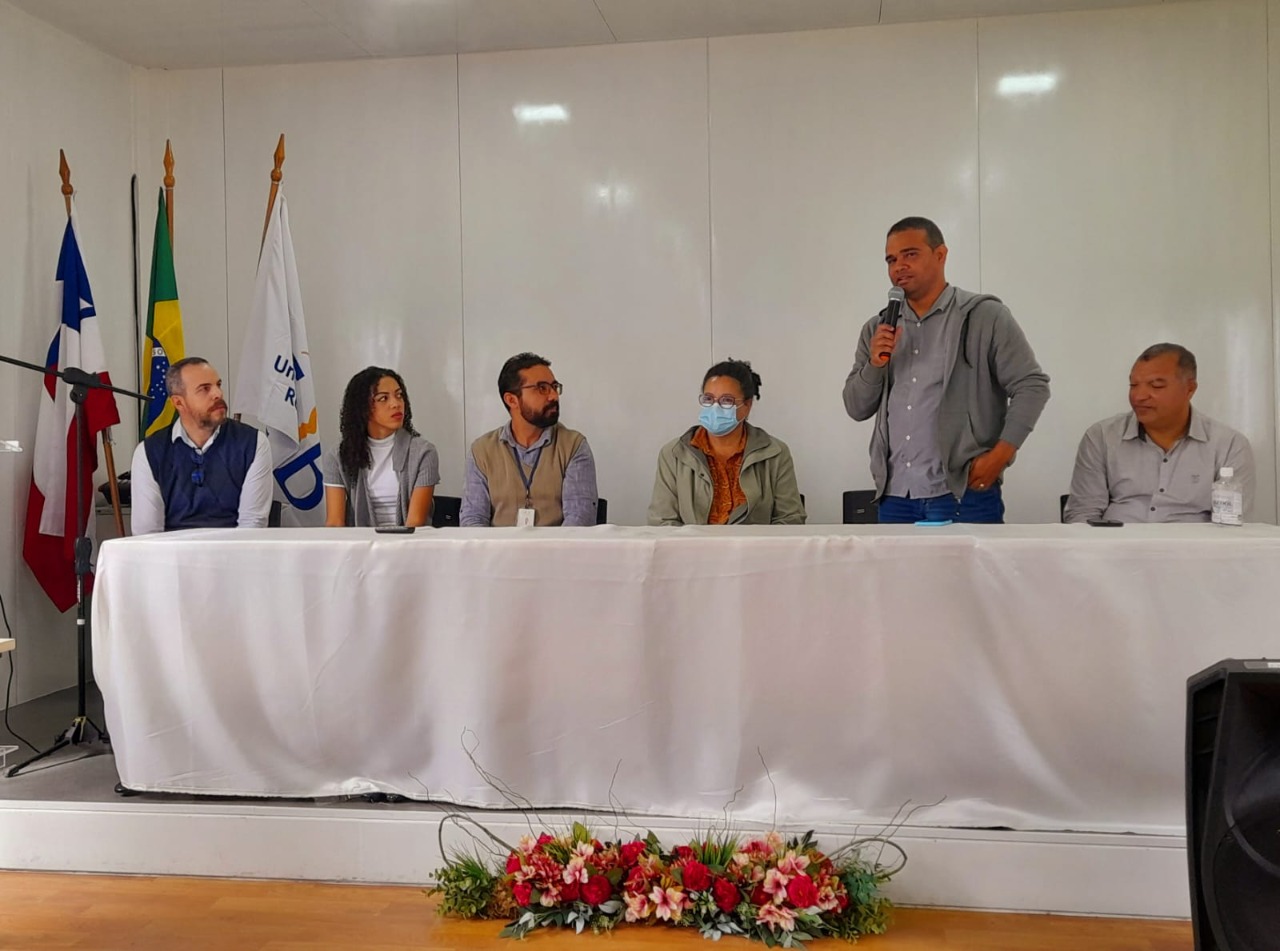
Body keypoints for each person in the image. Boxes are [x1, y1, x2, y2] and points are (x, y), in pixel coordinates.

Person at [843, 216, 1050, 523]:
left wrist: (1001, 455)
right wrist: (875, 365)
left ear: (940, 255)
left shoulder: (984, 316)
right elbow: (856, 407)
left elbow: (1032, 385)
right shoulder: (878, 328)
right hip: (895, 497)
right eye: (891, 259)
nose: (899, 266)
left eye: (910, 254)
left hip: (962, 495)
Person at [1064, 344, 1253, 523]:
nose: (1139, 396)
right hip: (1117, 544)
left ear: (1189, 389)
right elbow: (1083, 515)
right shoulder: (1102, 437)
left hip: (1194, 546)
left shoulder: (1229, 445)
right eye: (1133, 385)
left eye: (1156, 386)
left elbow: (1231, 524)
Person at [648, 359, 805, 526]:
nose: (715, 408)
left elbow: (790, 520)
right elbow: (662, 522)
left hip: (755, 544)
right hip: (693, 544)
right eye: (708, 399)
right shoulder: (674, 454)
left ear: (747, 405)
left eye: (726, 401)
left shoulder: (775, 453)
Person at [130, 357, 273, 534]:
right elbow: (147, 534)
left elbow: (252, 526)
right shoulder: (149, 452)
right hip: (172, 551)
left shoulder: (253, 443)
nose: (218, 394)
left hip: (235, 549)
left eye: (218, 385)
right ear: (178, 402)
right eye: (205, 389)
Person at [460, 352, 598, 527]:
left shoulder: (573, 446)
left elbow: (579, 521)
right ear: (512, 400)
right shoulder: (482, 451)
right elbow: (472, 520)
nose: (554, 396)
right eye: (542, 388)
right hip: (497, 546)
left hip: (558, 545)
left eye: (554, 387)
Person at [321, 367, 439, 527]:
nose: (396, 404)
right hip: (359, 542)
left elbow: (415, 523)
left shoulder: (423, 452)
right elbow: (335, 523)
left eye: (399, 395)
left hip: (409, 541)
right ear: (362, 407)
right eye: (383, 398)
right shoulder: (337, 456)